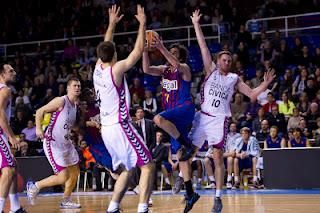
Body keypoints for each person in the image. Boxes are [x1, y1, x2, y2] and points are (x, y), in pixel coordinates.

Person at [191, 9, 275, 213]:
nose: (227, 62)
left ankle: (218, 197)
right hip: (202, 117)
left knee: (218, 157)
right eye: (224, 60)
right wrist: (196, 23)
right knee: (188, 153)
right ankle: (185, 186)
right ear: (218, 61)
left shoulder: (234, 79)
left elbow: (253, 95)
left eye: (229, 60)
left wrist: (264, 85)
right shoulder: (210, 70)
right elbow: (203, 45)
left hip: (220, 120)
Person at [93, 5, 154, 213]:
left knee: (128, 169)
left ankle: (113, 207)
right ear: (114, 55)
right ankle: (143, 208)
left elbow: (106, 45)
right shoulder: (115, 70)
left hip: (107, 130)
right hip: (120, 126)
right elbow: (137, 52)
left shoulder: (97, 69)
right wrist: (143, 24)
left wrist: (111, 24)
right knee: (147, 165)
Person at [142, 18, 196, 212]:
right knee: (181, 158)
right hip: (173, 119)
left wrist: (162, 46)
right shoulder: (164, 71)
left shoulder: (185, 70)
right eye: (168, 53)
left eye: (174, 54)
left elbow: (175, 63)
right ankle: (190, 193)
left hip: (185, 109)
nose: (169, 56)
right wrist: (145, 50)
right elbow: (146, 69)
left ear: (180, 57)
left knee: (157, 118)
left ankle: (186, 144)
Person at [27, 78, 81, 209]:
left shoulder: (75, 105)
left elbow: (70, 125)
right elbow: (40, 111)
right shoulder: (61, 100)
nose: (77, 87)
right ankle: (35, 186)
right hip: (53, 143)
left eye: (79, 86)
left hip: (66, 143)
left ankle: (66, 200)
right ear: (68, 88)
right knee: (63, 177)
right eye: (75, 85)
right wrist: (39, 128)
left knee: (75, 171)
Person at [0, 64, 27, 213]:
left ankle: (15, 207)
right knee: (9, 169)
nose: (15, 72)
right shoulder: (5, 90)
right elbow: (0, 116)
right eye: (11, 71)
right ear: (2, 74)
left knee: (13, 165)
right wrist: (12, 138)